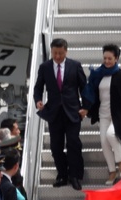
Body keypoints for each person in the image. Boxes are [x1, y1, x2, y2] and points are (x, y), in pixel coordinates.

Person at [32, 38, 87, 190]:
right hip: (54, 113)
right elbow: (38, 88)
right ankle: (62, 174)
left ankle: (75, 175)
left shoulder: (75, 66)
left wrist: (85, 107)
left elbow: (84, 88)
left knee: (73, 144)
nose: (57, 56)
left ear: (66, 51)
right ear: (51, 51)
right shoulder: (45, 67)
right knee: (56, 147)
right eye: (55, 53)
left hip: (72, 112)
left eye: (60, 53)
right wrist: (38, 101)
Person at [82, 43, 121, 186]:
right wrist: (86, 108)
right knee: (104, 143)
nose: (106, 61)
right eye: (105, 58)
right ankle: (112, 171)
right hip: (103, 114)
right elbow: (90, 94)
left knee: (111, 135)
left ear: (116, 58)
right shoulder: (97, 74)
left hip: (118, 115)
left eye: (110, 58)